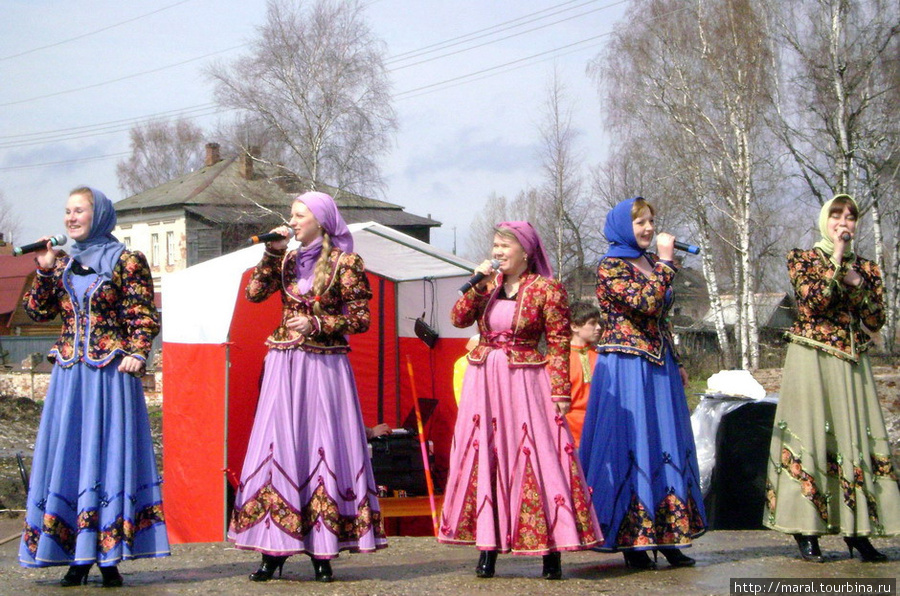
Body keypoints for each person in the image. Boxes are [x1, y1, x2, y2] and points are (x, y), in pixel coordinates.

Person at [227, 191, 387, 582]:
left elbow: (362, 318)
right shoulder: (285, 258)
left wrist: (317, 324)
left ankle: (322, 549)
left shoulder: (346, 262)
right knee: (278, 444)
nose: (293, 221)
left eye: (300, 216)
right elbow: (254, 294)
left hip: (324, 365)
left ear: (320, 220)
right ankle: (273, 545)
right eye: (292, 215)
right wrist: (270, 252)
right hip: (284, 364)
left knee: (321, 445)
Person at [18, 187, 169, 587]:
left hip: (109, 375)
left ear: (98, 214)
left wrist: (139, 350)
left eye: (79, 211)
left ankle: (107, 556)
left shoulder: (125, 260)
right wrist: (46, 268)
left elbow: (141, 313)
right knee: (70, 454)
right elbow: (37, 311)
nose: (71, 218)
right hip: (70, 376)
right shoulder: (63, 262)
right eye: (67, 211)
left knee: (106, 455)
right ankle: (74, 553)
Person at [437, 221, 601, 580]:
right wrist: (477, 287)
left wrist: (560, 392)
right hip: (484, 379)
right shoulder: (488, 286)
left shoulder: (547, 289)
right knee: (487, 455)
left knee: (536, 455)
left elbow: (558, 343)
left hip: (525, 379)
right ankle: (487, 547)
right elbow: (458, 318)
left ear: (526, 251)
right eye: (494, 245)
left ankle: (551, 549)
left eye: (504, 246)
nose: (497, 252)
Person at [763, 194, 900, 562]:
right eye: (837, 215)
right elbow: (814, 302)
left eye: (851, 217)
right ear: (825, 220)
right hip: (811, 359)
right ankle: (806, 530)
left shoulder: (868, 269)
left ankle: (858, 530)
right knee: (810, 437)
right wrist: (837, 261)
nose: (845, 222)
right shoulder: (802, 258)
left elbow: (875, 321)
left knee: (854, 440)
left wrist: (856, 282)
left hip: (852, 363)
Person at [579, 197, 706, 570]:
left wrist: (678, 361)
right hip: (625, 367)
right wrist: (666, 264)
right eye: (640, 223)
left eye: (651, 221)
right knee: (632, 446)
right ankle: (632, 537)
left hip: (659, 365)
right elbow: (646, 303)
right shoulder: (610, 266)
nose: (649, 228)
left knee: (664, 442)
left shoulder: (650, 262)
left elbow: (661, 319)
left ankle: (668, 536)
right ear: (623, 226)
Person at [565, 301, 602, 447]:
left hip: (597, 428)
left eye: (599, 323)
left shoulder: (602, 358)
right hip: (568, 432)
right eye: (592, 323)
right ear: (574, 326)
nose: (598, 328)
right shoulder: (558, 360)